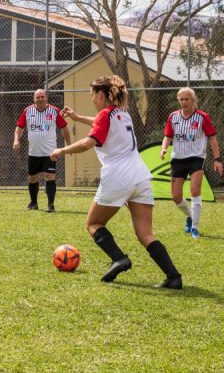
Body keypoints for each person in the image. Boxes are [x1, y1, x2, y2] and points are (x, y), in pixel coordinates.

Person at [51, 75, 182, 289]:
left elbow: (88, 143)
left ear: (101, 95)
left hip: (119, 176)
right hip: (140, 176)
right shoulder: (124, 114)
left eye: (93, 95)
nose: (92, 98)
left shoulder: (106, 114)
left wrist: (61, 150)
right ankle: (173, 277)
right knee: (145, 234)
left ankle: (119, 258)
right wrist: (77, 117)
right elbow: (101, 122)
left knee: (93, 224)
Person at [160, 87, 223, 239]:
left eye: (186, 99)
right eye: (181, 99)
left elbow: (212, 138)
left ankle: (195, 227)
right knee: (175, 196)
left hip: (196, 158)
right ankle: (189, 216)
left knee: (195, 191)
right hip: (178, 159)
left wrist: (217, 159)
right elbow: (167, 136)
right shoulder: (173, 117)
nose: (183, 102)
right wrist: (163, 149)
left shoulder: (202, 117)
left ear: (193, 100)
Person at [13, 89, 72, 212]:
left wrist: (69, 145)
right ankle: (33, 203)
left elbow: (64, 128)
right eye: (37, 97)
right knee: (32, 178)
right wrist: (16, 140)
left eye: (42, 97)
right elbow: (19, 127)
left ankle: (51, 205)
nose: (40, 99)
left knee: (49, 176)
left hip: (50, 152)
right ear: (34, 99)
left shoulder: (54, 111)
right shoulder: (28, 111)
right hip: (34, 152)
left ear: (46, 98)